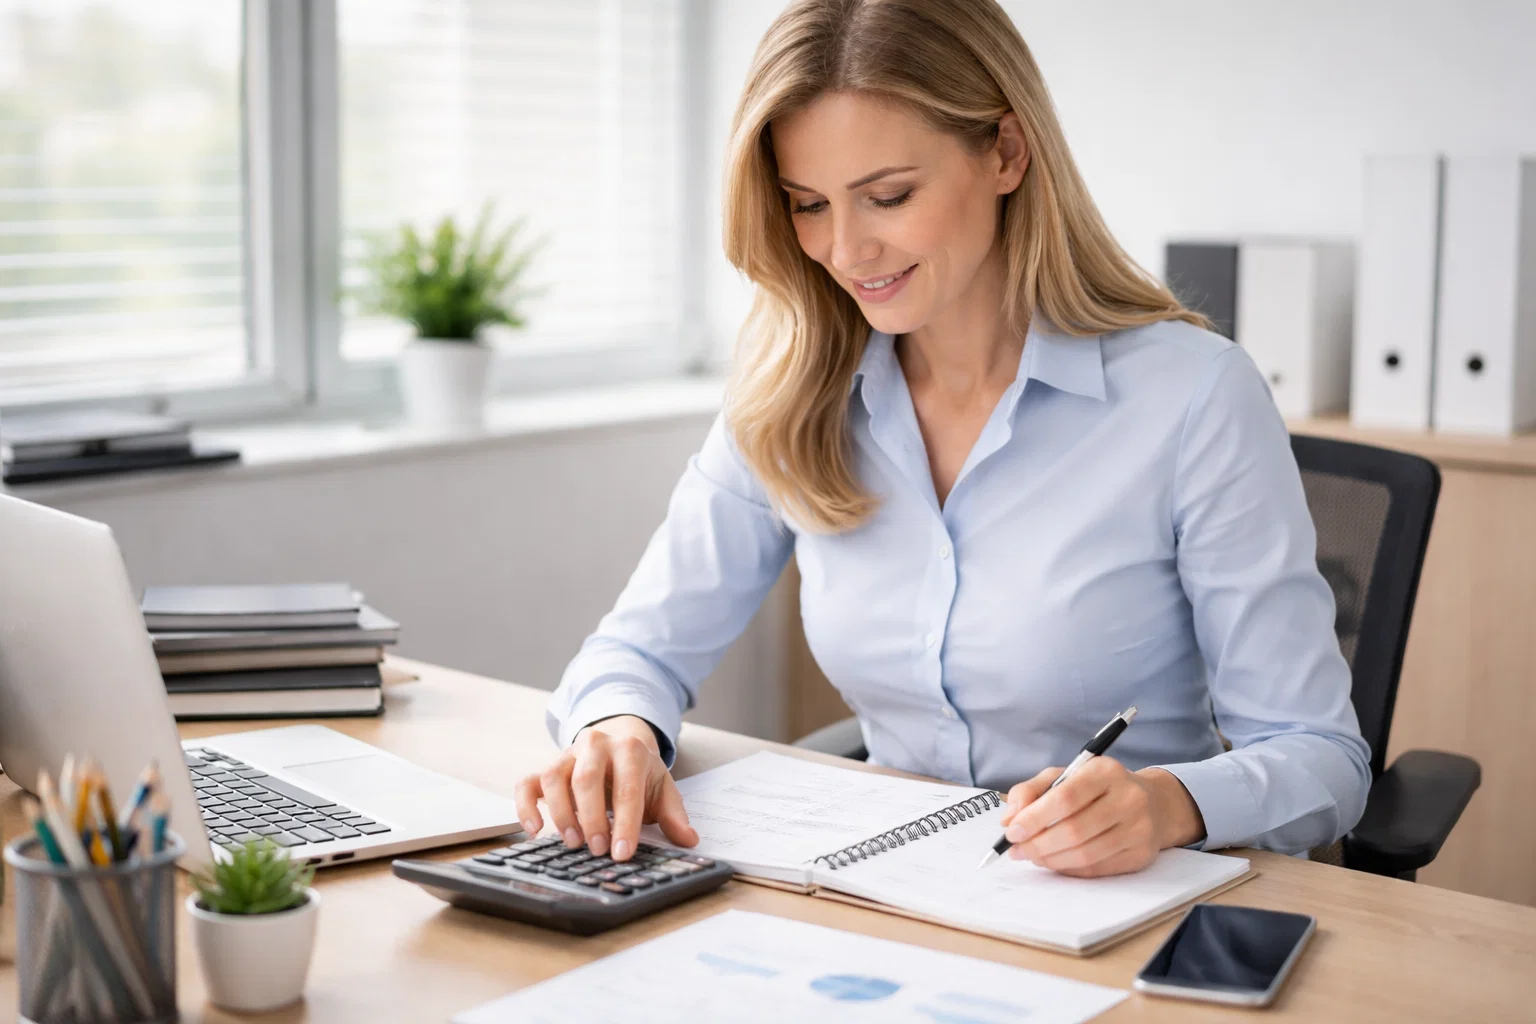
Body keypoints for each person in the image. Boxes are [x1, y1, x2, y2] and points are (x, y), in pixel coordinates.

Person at [517, 0, 1370, 878]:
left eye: (888, 196)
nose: (846, 250)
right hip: (887, 893)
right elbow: (638, 650)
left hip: (1122, 901)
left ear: (1005, 152)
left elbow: (1321, 759)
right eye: (808, 205)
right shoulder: (791, 389)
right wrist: (616, 729)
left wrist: (1167, 805)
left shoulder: (1191, 395)